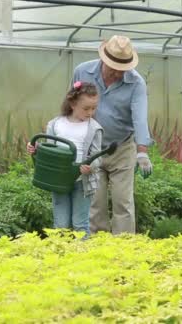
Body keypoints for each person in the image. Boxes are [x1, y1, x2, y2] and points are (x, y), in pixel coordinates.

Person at [72, 35, 153, 235]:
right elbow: (72, 106)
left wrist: (142, 152)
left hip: (122, 148)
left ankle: (124, 251)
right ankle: (100, 250)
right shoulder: (82, 72)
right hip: (92, 149)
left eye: (122, 68)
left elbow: (140, 118)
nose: (117, 72)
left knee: (123, 203)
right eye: (113, 66)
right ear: (103, 59)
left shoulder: (136, 83)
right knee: (94, 202)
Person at [26, 81, 103, 238]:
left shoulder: (94, 128)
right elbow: (50, 151)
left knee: (80, 224)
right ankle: (60, 258)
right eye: (86, 108)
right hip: (59, 181)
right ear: (73, 104)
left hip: (82, 182)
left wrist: (91, 166)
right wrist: (35, 149)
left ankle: (82, 259)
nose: (90, 112)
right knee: (60, 225)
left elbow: (97, 156)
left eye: (94, 108)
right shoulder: (56, 124)